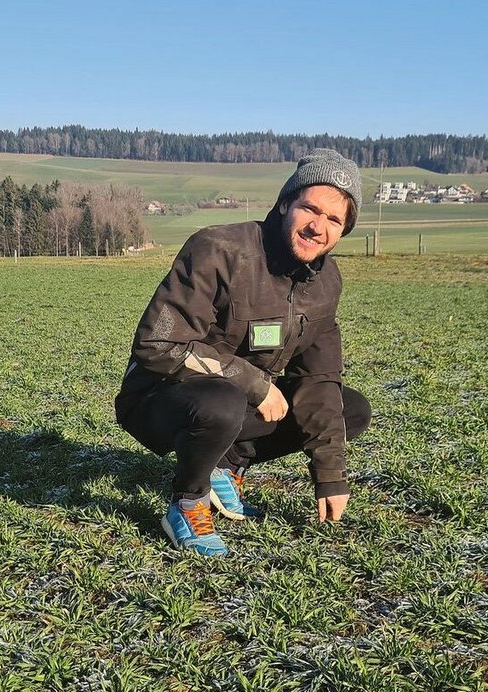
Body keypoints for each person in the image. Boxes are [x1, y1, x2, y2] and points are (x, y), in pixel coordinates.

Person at [114, 149, 372, 556]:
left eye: (334, 220)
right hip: (158, 398)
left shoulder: (325, 284)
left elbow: (318, 377)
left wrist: (330, 476)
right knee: (224, 401)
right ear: (286, 202)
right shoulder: (219, 250)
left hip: (234, 400)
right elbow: (157, 345)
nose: (317, 227)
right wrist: (253, 383)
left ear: (343, 230)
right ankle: (187, 503)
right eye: (310, 208)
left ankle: (226, 464)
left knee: (348, 407)